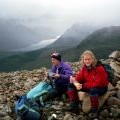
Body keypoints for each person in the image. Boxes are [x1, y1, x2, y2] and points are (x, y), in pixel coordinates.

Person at [70, 50, 109, 118]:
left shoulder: (99, 68)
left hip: (102, 87)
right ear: (83, 60)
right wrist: (76, 83)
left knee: (93, 90)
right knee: (71, 85)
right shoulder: (84, 68)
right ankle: (74, 106)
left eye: (89, 59)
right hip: (89, 85)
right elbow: (78, 77)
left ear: (93, 59)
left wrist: (82, 85)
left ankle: (95, 111)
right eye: (85, 59)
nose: (87, 61)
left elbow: (96, 83)